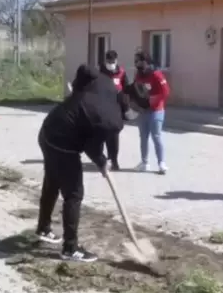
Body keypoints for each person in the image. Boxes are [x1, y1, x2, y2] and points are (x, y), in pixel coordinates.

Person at [35, 64, 123, 262]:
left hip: (47, 132)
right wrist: (101, 161)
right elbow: (91, 146)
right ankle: (70, 248)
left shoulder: (88, 95)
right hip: (62, 144)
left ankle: (43, 228)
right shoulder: (96, 107)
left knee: (52, 184)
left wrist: (101, 160)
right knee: (74, 194)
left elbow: (89, 140)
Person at [132, 52, 170, 174]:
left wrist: (152, 100)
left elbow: (165, 92)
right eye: (136, 61)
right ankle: (144, 162)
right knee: (143, 137)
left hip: (156, 111)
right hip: (143, 111)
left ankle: (161, 163)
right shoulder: (138, 75)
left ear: (146, 62)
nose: (136, 63)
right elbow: (136, 90)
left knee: (156, 136)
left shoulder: (157, 75)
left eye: (139, 61)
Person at [98, 50, 129, 170]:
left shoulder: (121, 72)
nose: (111, 63)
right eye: (109, 61)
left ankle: (114, 160)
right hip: (102, 107)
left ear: (116, 61)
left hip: (116, 108)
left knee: (114, 135)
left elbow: (126, 89)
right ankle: (102, 159)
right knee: (103, 134)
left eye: (113, 61)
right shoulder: (100, 72)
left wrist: (126, 105)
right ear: (105, 61)